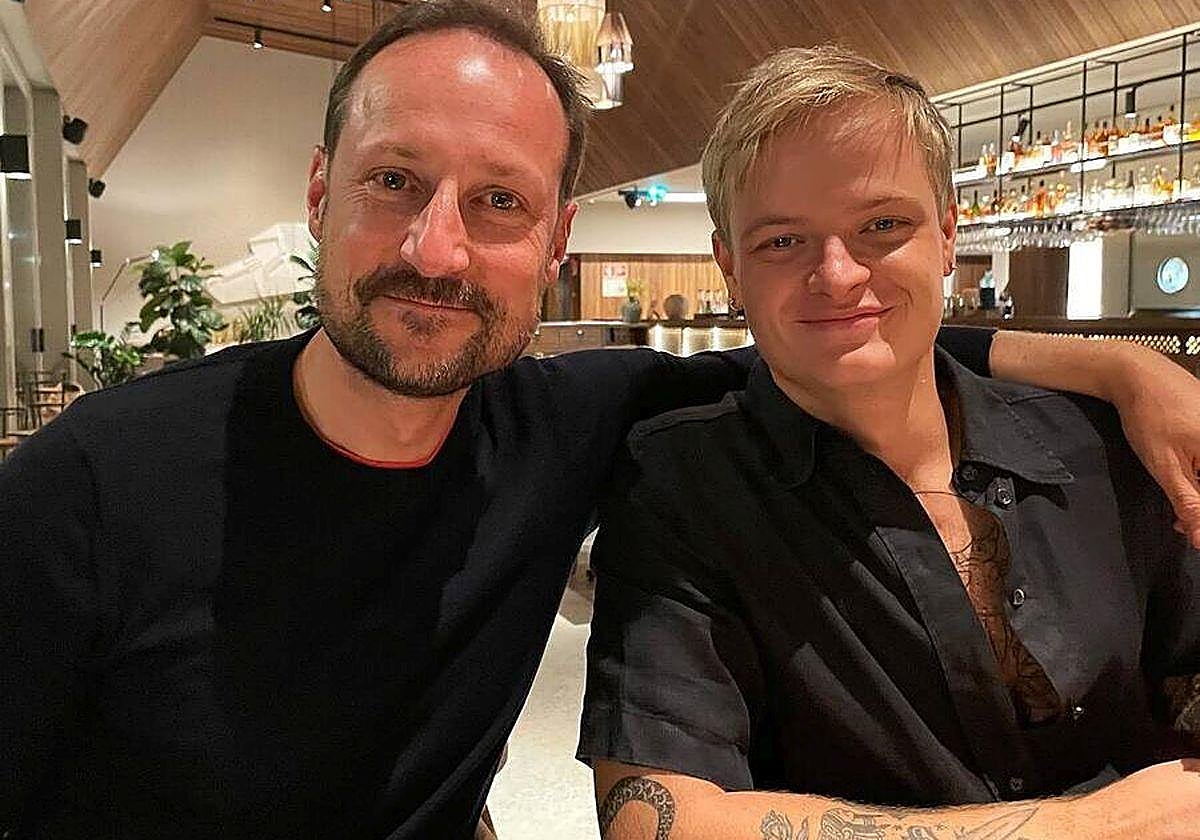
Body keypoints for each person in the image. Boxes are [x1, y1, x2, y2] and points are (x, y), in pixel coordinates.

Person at [1, 3, 1198, 838]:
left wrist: (1123, 368)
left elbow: (841, 336)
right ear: (321, 192)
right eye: (394, 181)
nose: (437, 249)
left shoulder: (567, 423)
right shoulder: (91, 488)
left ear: (555, 242)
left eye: (499, 201)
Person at [578, 45, 1200, 840]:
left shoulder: (1106, 443)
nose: (838, 274)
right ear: (729, 269)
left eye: (882, 225)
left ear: (947, 235)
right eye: (783, 241)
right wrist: (1091, 828)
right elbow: (657, 823)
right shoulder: (682, 489)